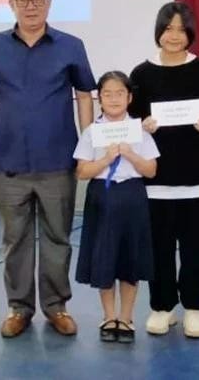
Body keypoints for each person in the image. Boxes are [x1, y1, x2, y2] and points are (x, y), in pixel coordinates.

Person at [0, 0, 96, 337]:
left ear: (49, 3)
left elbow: (85, 93)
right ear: (10, 4)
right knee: (15, 240)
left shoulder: (71, 46)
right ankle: (19, 308)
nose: (30, 6)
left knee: (58, 237)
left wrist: (87, 144)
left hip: (58, 160)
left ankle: (56, 307)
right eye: (22, 0)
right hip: (9, 161)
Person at [128, 1, 199, 338]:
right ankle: (162, 307)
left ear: (190, 33)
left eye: (182, 29)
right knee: (159, 246)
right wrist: (142, 125)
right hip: (157, 179)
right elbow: (129, 121)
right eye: (169, 28)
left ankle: (195, 308)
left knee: (198, 246)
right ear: (159, 31)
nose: (175, 36)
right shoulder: (140, 74)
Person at [74, 71, 159, 343]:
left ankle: (126, 317)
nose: (113, 99)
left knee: (130, 258)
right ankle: (109, 316)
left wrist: (130, 153)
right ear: (99, 98)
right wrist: (106, 159)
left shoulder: (139, 130)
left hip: (133, 196)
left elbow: (151, 171)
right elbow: (82, 171)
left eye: (119, 93)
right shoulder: (92, 131)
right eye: (107, 94)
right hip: (102, 196)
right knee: (105, 256)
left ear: (129, 97)